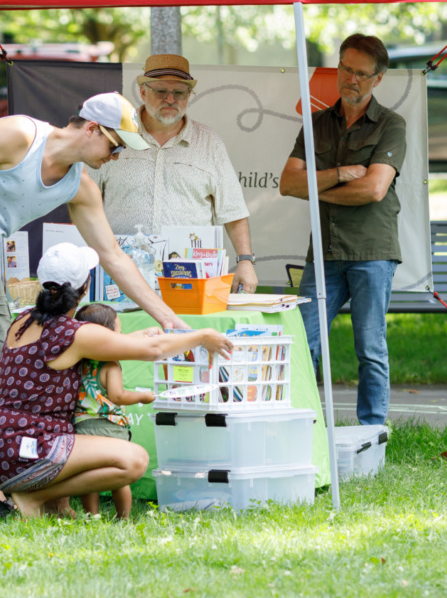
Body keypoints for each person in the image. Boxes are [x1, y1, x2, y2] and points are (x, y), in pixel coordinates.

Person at [0, 91, 188, 519]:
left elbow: (112, 255)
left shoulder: (79, 185)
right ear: (92, 129)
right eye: (115, 146)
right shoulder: (20, 135)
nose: (116, 156)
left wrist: (166, 317)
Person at [0, 244, 230, 519]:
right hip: (25, 450)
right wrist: (202, 336)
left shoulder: (24, 319)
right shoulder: (72, 333)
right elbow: (153, 350)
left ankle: (50, 502)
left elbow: (93, 347)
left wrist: (134, 338)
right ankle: (34, 498)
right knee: (134, 461)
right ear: (85, 287)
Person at [279, 34, 406, 426]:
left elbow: (374, 189)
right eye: (346, 69)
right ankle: (304, 424)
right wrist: (339, 174)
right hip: (324, 252)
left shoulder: (391, 124)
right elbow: (288, 184)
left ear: (378, 79)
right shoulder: (316, 124)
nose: (351, 79)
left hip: (372, 250)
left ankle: (373, 431)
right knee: (302, 340)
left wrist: (316, 189)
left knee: (370, 346)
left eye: (362, 74)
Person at [90, 54, 258, 293]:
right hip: (119, 276)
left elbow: (233, 211)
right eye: (161, 91)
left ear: (189, 95)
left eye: (179, 92)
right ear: (143, 92)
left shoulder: (209, 143)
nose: (170, 99)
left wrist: (245, 261)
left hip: (191, 279)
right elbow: (84, 201)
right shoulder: (114, 136)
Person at [70, 302, 155, 520]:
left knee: (90, 477)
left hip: (83, 428)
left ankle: (92, 517)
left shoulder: (76, 361)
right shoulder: (110, 364)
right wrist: (142, 397)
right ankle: (123, 517)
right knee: (119, 478)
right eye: (118, 334)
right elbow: (117, 396)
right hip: (111, 429)